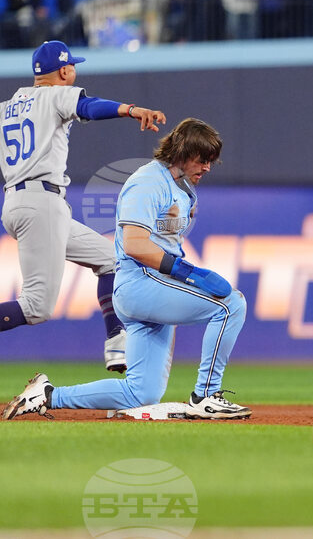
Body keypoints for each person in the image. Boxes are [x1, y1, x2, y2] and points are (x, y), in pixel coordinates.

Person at [3, 119, 252, 421]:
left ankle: (47, 395)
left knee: (141, 393)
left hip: (154, 285)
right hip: (140, 282)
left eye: (211, 160)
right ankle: (205, 396)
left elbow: (164, 237)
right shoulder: (148, 182)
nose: (208, 167)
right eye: (203, 159)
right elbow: (135, 244)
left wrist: (180, 270)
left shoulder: (182, 188)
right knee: (230, 305)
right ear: (183, 152)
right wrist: (189, 273)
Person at [0, 41, 165, 372]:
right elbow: (89, 107)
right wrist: (132, 110)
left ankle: (117, 344)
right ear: (63, 70)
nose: (75, 71)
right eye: (72, 66)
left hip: (20, 201)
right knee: (36, 308)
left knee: (114, 261)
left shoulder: (7, 106)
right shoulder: (53, 95)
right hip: (40, 204)